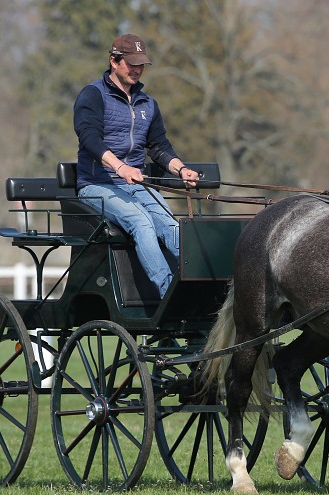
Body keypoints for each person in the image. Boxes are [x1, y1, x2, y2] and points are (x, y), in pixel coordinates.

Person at [73, 33, 200, 297]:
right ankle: (169, 294)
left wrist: (181, 169)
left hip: (136, 184)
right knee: (141, 222)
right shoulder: (93, 95)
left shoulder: (148, 104)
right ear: (114, 61)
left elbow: (159, 147)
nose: (137, 70)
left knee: (171, 225)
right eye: (131, 63)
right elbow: (89, 139)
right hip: (97, 185)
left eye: (141, 64)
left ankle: (197, 289)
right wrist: (120, 167)